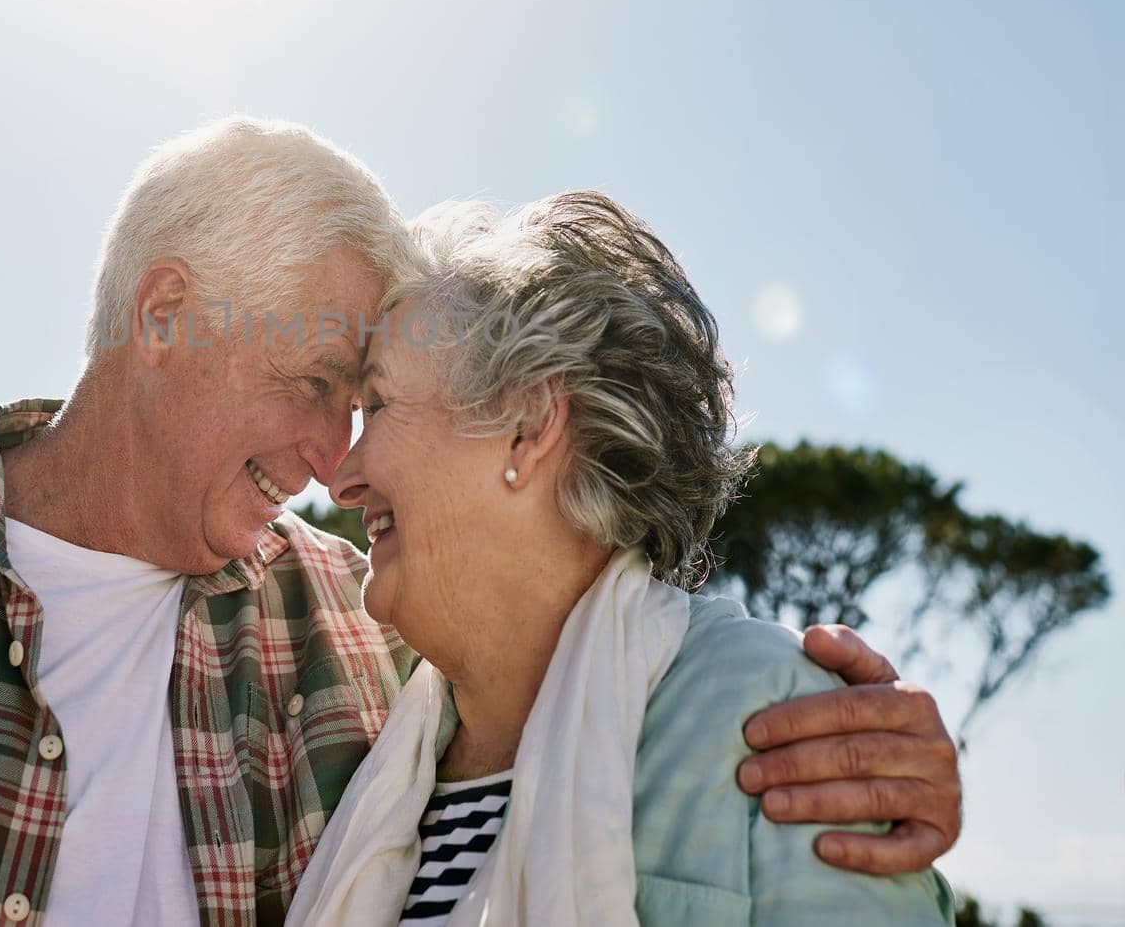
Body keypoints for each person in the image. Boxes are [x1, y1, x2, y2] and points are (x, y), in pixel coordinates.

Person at [0, 119, 961, 926]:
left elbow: (622, 706)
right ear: (167, 313)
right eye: (322, 385)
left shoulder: (349, 624)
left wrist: (884, 759)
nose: (330, 460)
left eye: (366, 399)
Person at [286, 191, 957, 925]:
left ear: (528, 425)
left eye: (377, 406)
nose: (339, 475)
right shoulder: (369, 730)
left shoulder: (780, 720)